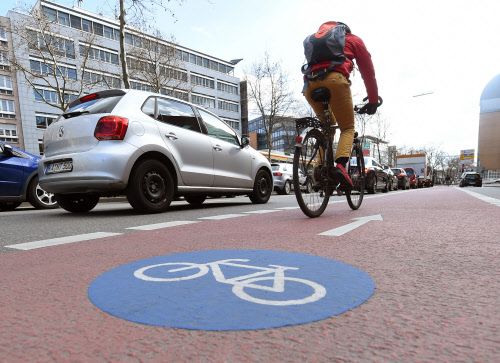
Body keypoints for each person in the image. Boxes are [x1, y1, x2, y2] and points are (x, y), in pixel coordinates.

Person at [302, 21, 380, 189]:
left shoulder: (317, 42)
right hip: (335, 81)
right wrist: (373, 99)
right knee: (347, 128)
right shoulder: (353, 40)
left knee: (327, 127)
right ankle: (340, 167)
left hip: (310, 85)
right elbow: (368, 72)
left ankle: (320, 168)